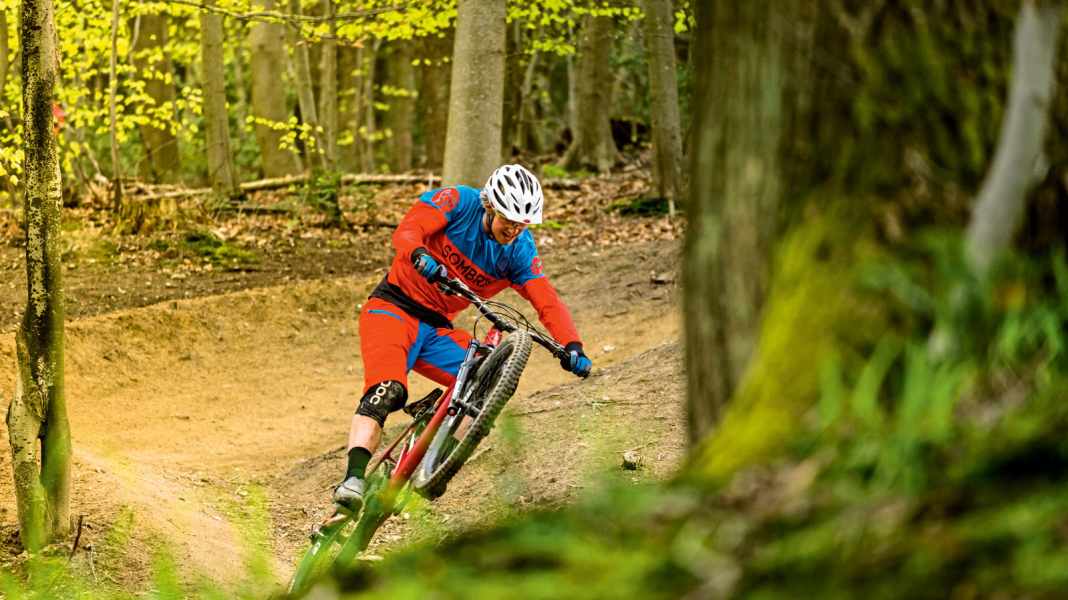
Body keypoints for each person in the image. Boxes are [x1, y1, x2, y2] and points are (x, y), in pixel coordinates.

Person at [334, 164, 592, 511]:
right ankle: (353, 478)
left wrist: (572, 345)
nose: (513, 229)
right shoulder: (458, 201)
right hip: (392, 308)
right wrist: (420, 254)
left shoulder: (519, 250)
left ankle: (435, 462)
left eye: (522, 223)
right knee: (387, 391)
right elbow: (407, 231)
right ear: (490, 207)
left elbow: (546, 300)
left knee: (483, 381)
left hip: (438, 329)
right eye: (507, 220)